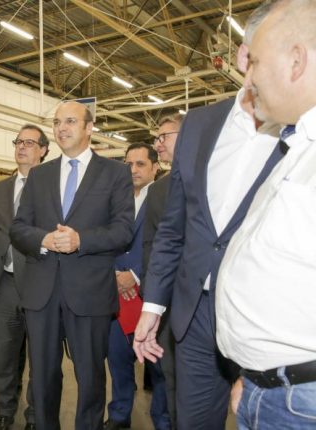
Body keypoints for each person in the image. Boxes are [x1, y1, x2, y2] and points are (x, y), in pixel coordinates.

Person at [132, 3, 286, 428]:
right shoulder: (199, 125)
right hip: (195, 315)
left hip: (266, 317)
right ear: (244, 56)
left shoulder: (300, 129)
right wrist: (153, 306)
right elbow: (174, 227)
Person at [216, 1, 316, 428]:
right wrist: (258, 376)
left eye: (255, 61)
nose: (248, 77)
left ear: (296, 61)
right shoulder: (298, 149)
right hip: (273, 390)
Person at [10, 101, 134, 430]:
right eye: (56, 122)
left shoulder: (115, 173)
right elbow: (18, 228)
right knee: (42, 377)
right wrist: (44, 239)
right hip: (42, 293)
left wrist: (82, 240)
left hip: (90, 292)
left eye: (70, 121)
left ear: (89, 127)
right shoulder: (39, 175)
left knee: (90, 377)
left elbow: (123, 230)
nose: (61, 128)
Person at [0, 124, 49, 430]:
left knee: (39, 356)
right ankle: (6, 410)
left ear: (43, 150)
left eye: (29, 143)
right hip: (5, 283)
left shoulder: (52, 185)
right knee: (5, 354)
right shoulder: (2, 187)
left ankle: (34, 415)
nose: (22, 147)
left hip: (39, 282)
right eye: (18, 142)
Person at [104, 143, 169, 430]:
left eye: (140, 164)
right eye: (128, 164)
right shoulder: (115, 200)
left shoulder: (166, 197)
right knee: (118, 360)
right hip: (117, 295)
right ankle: (119, 415)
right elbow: (105, 240)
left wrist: (136, 275)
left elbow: (168, 243)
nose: (133, 170)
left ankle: (163, 420)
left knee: (159, 366)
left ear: (155, 167)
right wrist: (114, 275)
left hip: (153, 296)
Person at [140, 112, 182, 428]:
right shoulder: (158, 190)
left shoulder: (216, 179)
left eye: (164, 136)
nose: (158, 144)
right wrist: (151, 297)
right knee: (166, 377)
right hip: (166, 303)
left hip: (207, 303)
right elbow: (152, 247)